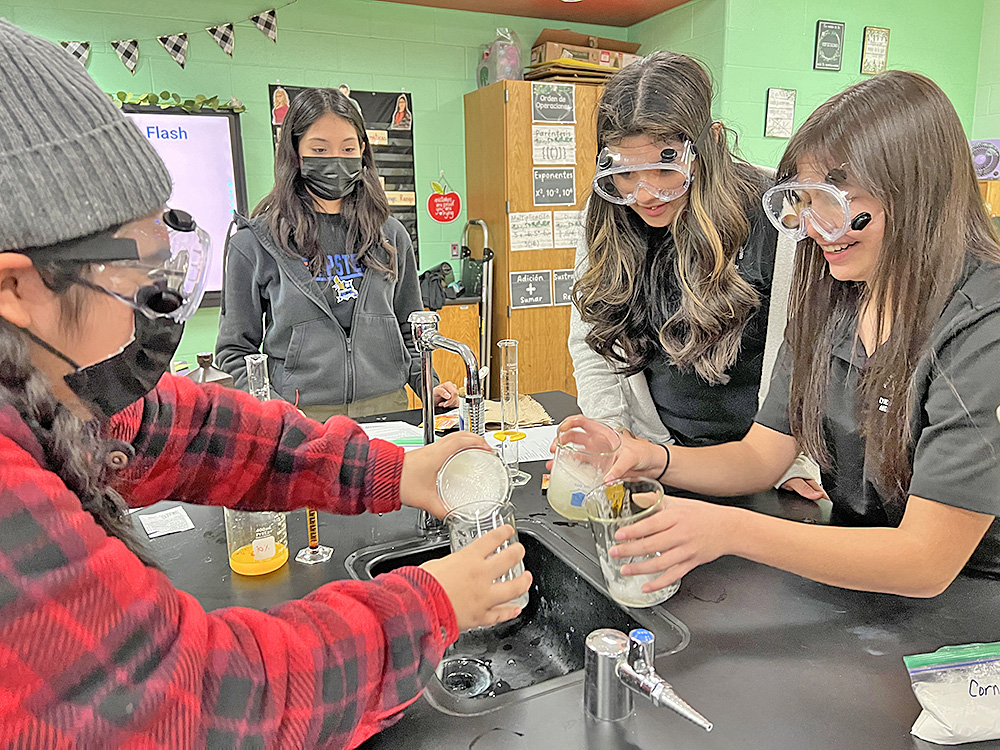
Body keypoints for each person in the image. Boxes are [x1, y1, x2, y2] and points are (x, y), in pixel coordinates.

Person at [0, 22, 529, 748]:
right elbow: (207, 705)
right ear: (17, 287)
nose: (157, 300)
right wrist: (432, 601)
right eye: (135, 270)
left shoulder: (56, 385)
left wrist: (391, 469)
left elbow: (197, 432)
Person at [600, 70, 1000, 598]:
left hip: (970, 599)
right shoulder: (838, 292)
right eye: (805, 201)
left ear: (916, 193)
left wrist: (728, 530)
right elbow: (762, 456)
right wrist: (654, 458)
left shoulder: (980, 320)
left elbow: (925, 560)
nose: (812, 226)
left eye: (835, 199)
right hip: (863, 574)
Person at [569, 51, 820, 498]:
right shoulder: (607, 213)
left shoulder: (777, 214)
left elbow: (801, 351)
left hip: (762, 459)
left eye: (666, 170)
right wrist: (612, 434)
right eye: (626, 174)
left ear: (710, 144)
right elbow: (591, 339)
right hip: (653, 453)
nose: (646, 195)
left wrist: (792, 460)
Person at [217, 87, 457, 421]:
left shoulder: (390, 236)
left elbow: (410, 330)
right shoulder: (255, 243)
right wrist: (273, 411)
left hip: (389, 411)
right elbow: (234, 352)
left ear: (362, 150)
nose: (336, 160)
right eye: (319, 148)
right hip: (301, 419)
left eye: (347, 148)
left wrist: (427, 384)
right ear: (296, 152)